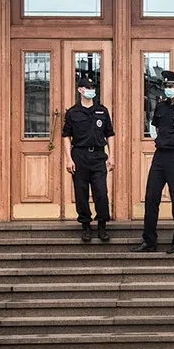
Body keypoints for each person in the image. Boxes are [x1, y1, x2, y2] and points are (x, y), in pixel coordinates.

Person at [133, 70, 174, 254]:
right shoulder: (161, 106)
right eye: (166, 86)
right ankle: (149, 241)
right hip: (160, 156)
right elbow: (155, 128)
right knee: (151, 198)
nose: (168, 89)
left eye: (171, 86)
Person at [62, 76, 115, 242]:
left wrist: (112, 155)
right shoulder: (72, 112)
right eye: (87, 88)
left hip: (98, 156)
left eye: (93, 88)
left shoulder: (102, 111)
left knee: (101, 192)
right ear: (80, 90)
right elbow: (66, 136)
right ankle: (85, 225)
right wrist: (68, 159)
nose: (91, 91)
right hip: (80, 156)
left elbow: (109, 134)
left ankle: (102, 226)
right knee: (81, 192)